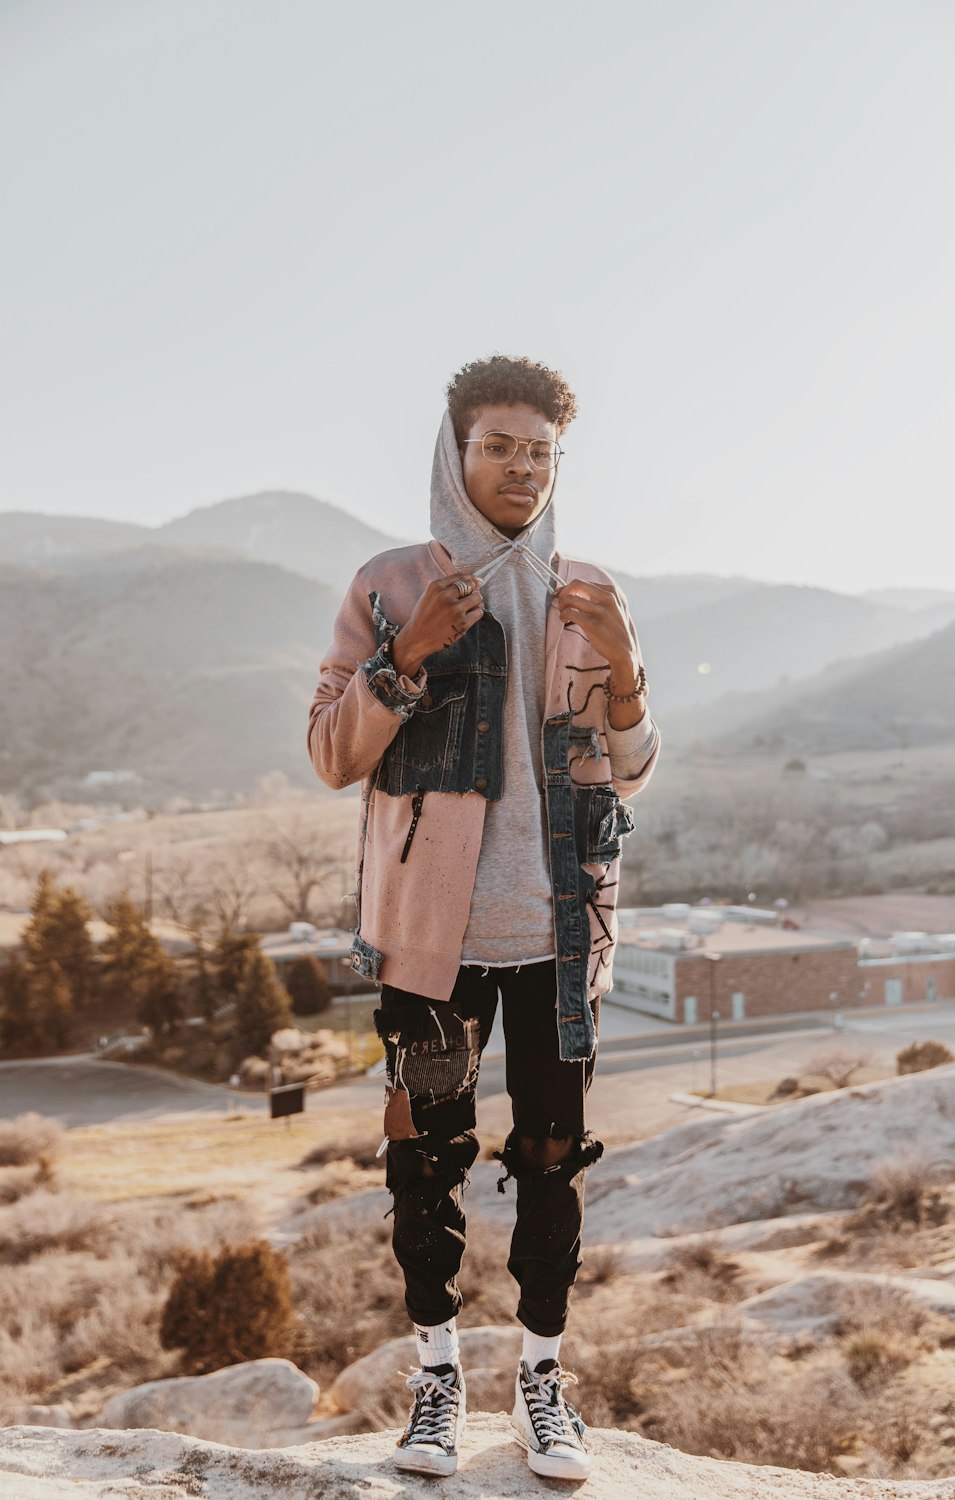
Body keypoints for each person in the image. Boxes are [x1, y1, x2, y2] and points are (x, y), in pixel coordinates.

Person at [307, 354, 659, 1479]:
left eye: (540, 451)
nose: (521, 468)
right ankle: (437, 1381)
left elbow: (633, 767)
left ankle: (544, 1385)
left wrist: (629, 673)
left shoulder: (588, 590)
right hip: (431, 939)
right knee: (426, 1165)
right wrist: (405, 659)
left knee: (553, 1162)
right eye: (499, 446)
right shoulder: (390, 587)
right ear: (455, 454)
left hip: (563, 937)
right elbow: (327, 754)